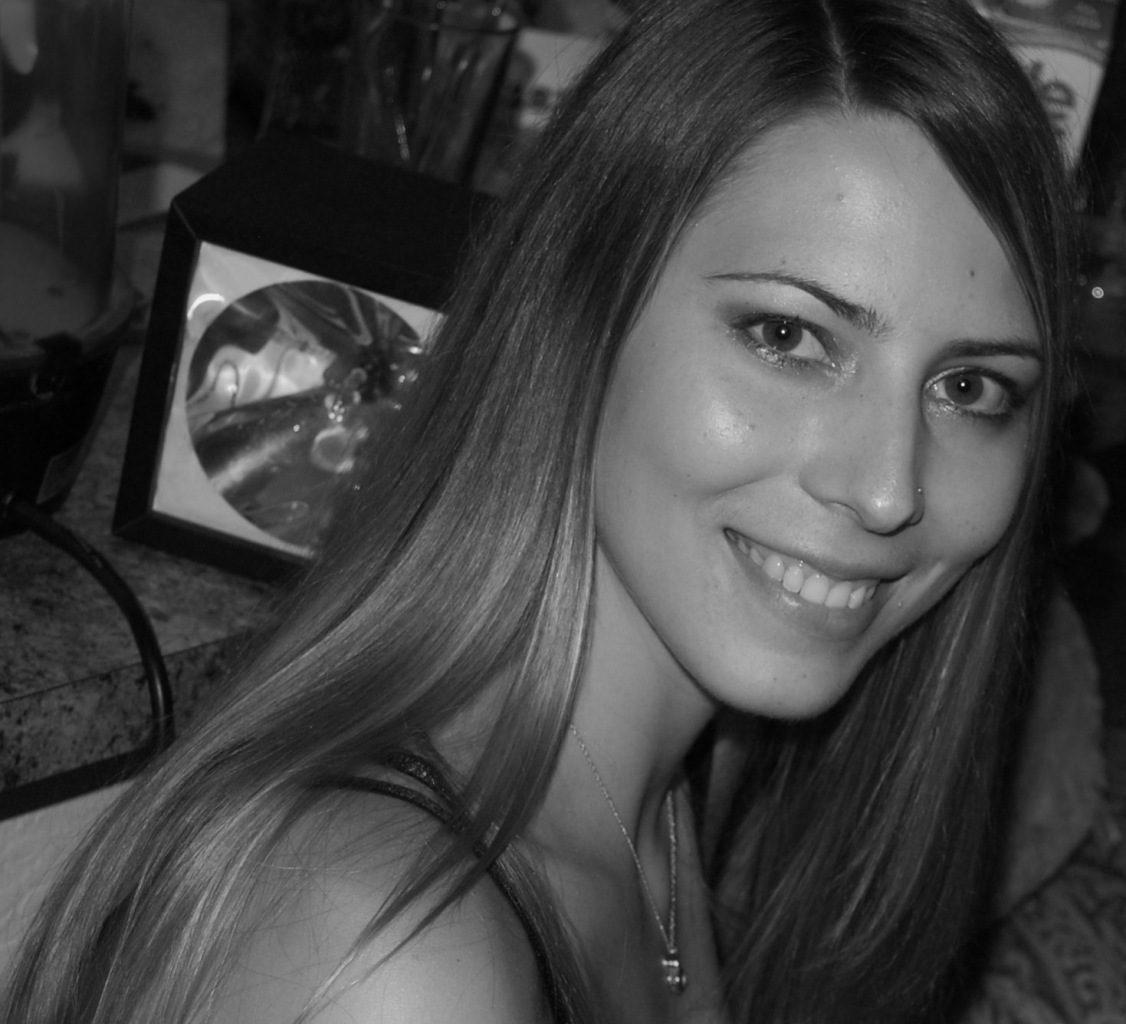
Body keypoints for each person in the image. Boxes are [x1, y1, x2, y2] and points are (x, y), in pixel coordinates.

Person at [1, 0, 1077, 1021]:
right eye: (789, 337)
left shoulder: (659, 795)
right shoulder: (396, 955)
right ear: (575, 312)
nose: (887, 489)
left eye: (969, 387)